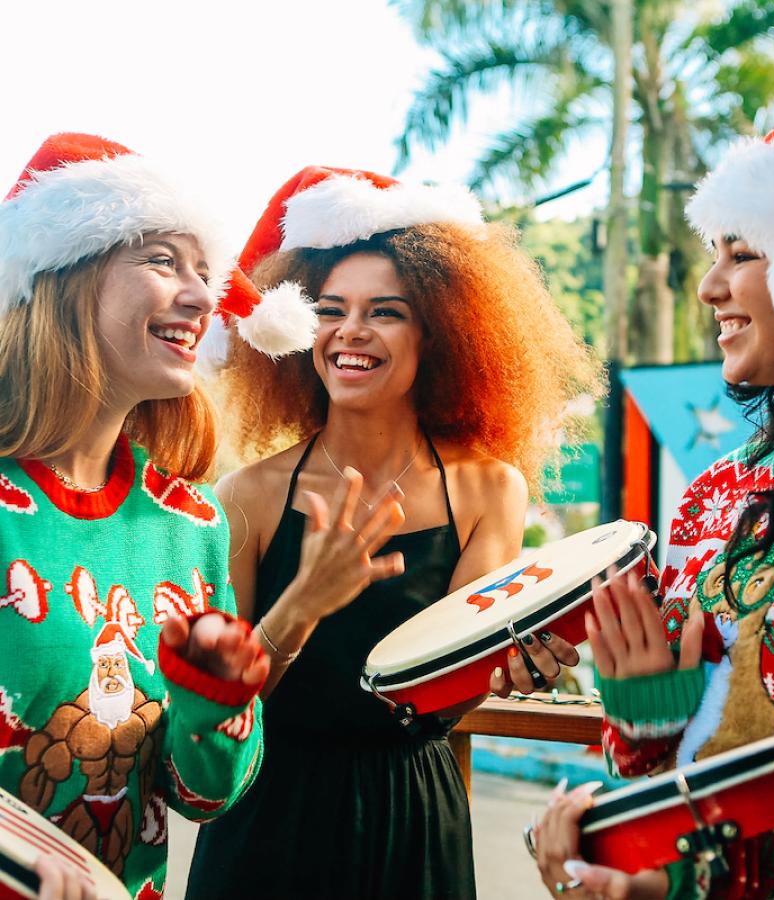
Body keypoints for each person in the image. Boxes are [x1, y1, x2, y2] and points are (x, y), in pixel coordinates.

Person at [0, 137, 402, 900]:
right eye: (161, 260)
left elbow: (204, 795)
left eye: (204, 272)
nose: (201, 296)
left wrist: (214, 701)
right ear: (62, 278)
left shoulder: (191, 522)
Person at [185, 165, 600, 899]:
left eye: (386, 311)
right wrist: (306, 600)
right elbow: (224, 715)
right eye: (329, 308)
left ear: (441, 334)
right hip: (268, 815)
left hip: (414, 815)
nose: (350, 330)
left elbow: (443, 694)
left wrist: (509, 666)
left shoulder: (488, 490)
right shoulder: (247, 496)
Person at [534, 97, 774, 899]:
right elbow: (666, 766)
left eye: (742, 254)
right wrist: (642, 719)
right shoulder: (714, 495)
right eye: (714, 254)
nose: (708, 286)